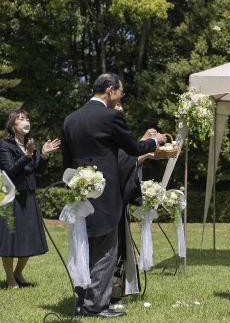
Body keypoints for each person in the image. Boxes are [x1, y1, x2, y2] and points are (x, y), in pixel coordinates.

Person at [62, 73, 166, 318]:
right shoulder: (111, 116)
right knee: (107, 251)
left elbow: (66, 162)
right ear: (110, 90)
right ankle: (95, 306)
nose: (121, 96)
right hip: (106, 194)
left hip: (80, 193)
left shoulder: (70, 119)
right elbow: (135, 149)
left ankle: (82, 300)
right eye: (120, 92)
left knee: (83, 247)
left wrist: (77, 186)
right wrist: (154, 141)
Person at [0, 109, 60, 289]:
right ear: (12, 124)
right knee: (10, 238)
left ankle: (19, 272)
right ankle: (10, 278)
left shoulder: (31, 143)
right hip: (12, 196)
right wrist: (26, 155)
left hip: (29, 195)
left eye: (27, 118)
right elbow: (9, 170)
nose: (26, 121)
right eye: (21, 119)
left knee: (27, 235)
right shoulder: (4, 145)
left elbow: (38, 169)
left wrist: (44, 155)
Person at [111, 102, 155, 302]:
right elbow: (121, 162)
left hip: (118, 199)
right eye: (117, 104)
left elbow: (126, 152)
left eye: (122, 105)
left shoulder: (113, 127)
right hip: (112, 198)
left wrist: (143, 141)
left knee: (121, 242)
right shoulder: (109, 127)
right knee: (116, 244)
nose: (121, 107)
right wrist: (142, 156)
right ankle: (112, 289)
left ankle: (117, 287)